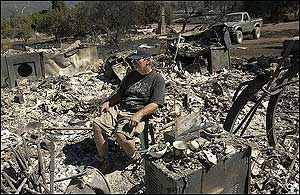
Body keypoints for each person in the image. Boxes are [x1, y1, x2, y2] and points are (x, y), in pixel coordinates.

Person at [93, 48, 165, 173]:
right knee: (97, 124)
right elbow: (120, 94)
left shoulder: (157, 79)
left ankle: (133, 156)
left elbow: (156, 104)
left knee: (121, 136)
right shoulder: (131, 75)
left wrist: (139, 114)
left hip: (137, 112)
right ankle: (103, 160)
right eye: (133, 62)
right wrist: (108, 102)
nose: (134, 64)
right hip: (120, 107)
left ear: (147, 61)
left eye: (137, 61)